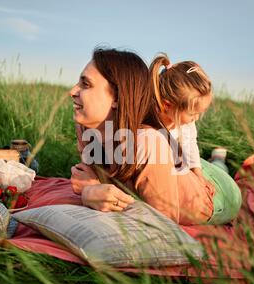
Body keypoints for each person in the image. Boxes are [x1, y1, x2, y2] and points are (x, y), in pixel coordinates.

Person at [69, 48, 236, 225]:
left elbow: (161, 229)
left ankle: (219, 160)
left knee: (215, 168)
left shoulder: (149, 143)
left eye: (86, 84)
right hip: (174, 166)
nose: (72, 91)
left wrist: (90, 190)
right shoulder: (86, 127)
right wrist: (91, 190)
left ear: (118, 96)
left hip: (215, 195)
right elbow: (92, 178)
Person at [148, 53, 241, 224]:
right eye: (194, 113)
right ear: (168, 105)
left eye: (200, 113)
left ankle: (219, 159)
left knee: (217, 173)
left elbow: (190, 144)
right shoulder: (150, 125)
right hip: (174, 169)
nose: (197, 119)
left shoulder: (184, 122)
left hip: (189, 163)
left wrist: (198, 175)